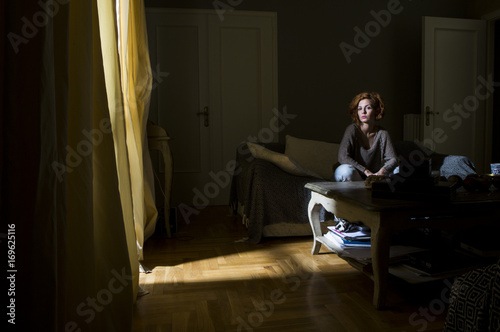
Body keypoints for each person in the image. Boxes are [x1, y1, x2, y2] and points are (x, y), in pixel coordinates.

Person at [334, 91, 398, 182]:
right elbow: (342, 157)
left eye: (368, 108)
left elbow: (393, 159)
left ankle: (371, 187)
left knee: (398, 170)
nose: (363, 112)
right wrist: (366, 171)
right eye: (359, 109)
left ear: (376, 110)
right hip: (353, 176)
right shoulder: (352, 129)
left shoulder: (382, 133)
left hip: (373, 177)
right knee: (346, 171)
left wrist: (381, 172)